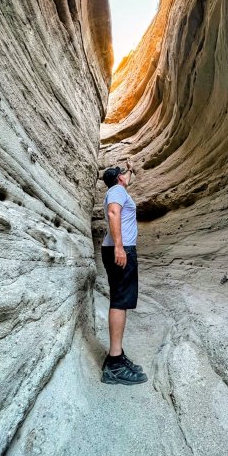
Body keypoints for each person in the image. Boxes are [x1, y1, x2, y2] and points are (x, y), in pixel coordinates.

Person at [100, 159, 148, 385]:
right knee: (119, 301)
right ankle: (115, 363)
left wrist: (130, 167)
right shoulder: (118, 191)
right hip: (120, 249)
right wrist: (120, 247)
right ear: (118, 179)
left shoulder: (116, 187)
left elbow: (129, 176)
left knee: (121, 300)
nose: (126, 178)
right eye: (123, 175)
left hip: (117, 247)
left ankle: (116, 354)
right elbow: (113, 214)